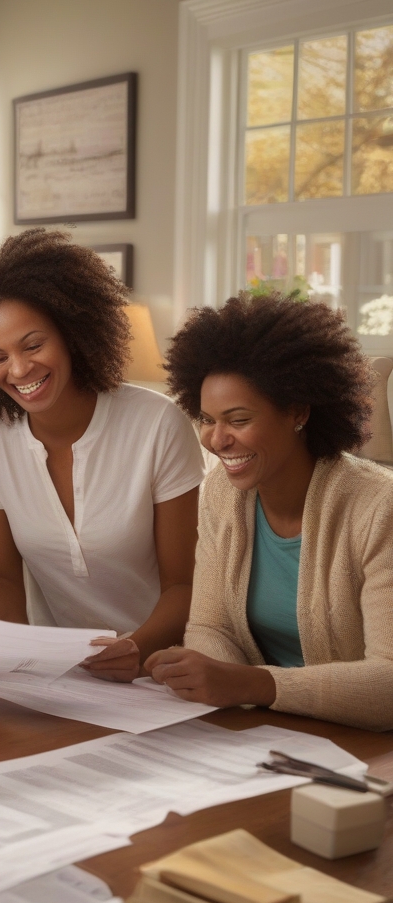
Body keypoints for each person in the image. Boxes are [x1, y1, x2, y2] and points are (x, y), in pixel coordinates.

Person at [0, 229, 205, 680]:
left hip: (163, 668)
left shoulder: (157, 424)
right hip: (60, 676)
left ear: (72, 333)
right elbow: (4, 584)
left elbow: (185, 586)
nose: (19, 369)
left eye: (33, 345)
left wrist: (136, 648)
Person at [145, 292, 393, 731]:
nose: (216, 440)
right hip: (265, 732)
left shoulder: (379, 507)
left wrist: (253, 686)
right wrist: (214, 680)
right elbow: (209, 627)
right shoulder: (221, 492)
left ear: (297, 411)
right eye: (207, 419)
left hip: (362, 745)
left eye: (238, 420)